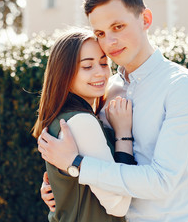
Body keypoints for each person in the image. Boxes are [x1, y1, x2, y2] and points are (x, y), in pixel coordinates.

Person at [37, 0, 188, 221]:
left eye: (118, 27)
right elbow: (102, 157)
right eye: (100, 33)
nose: (109, 42)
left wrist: (75, 165)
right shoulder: (108, 88)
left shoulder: (181, 86)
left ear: (145, 19)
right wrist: (63, 187)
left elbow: (162, 181)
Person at [33, 28, 138, 222]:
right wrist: (123, 132)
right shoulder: (81, 122)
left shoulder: (61, 117)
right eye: (87, 66)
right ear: (64, 73)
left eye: (103, 63)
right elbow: (119, 204)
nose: (100, 73)